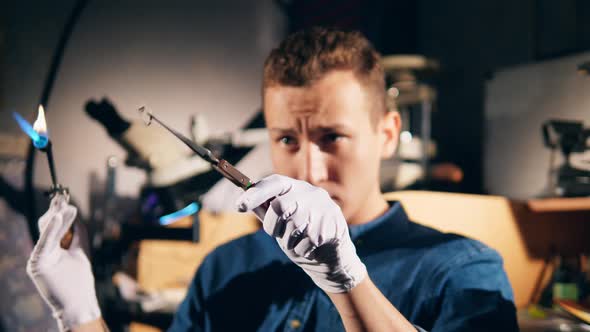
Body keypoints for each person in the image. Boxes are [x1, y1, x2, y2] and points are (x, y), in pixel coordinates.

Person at [27, 27, 518, 331]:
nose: (308, 170)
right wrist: (79, 314)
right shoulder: (224, 269)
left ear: (387, 134)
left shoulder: (461, 271)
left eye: (332, 137)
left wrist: (347, 281)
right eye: (287, 139)